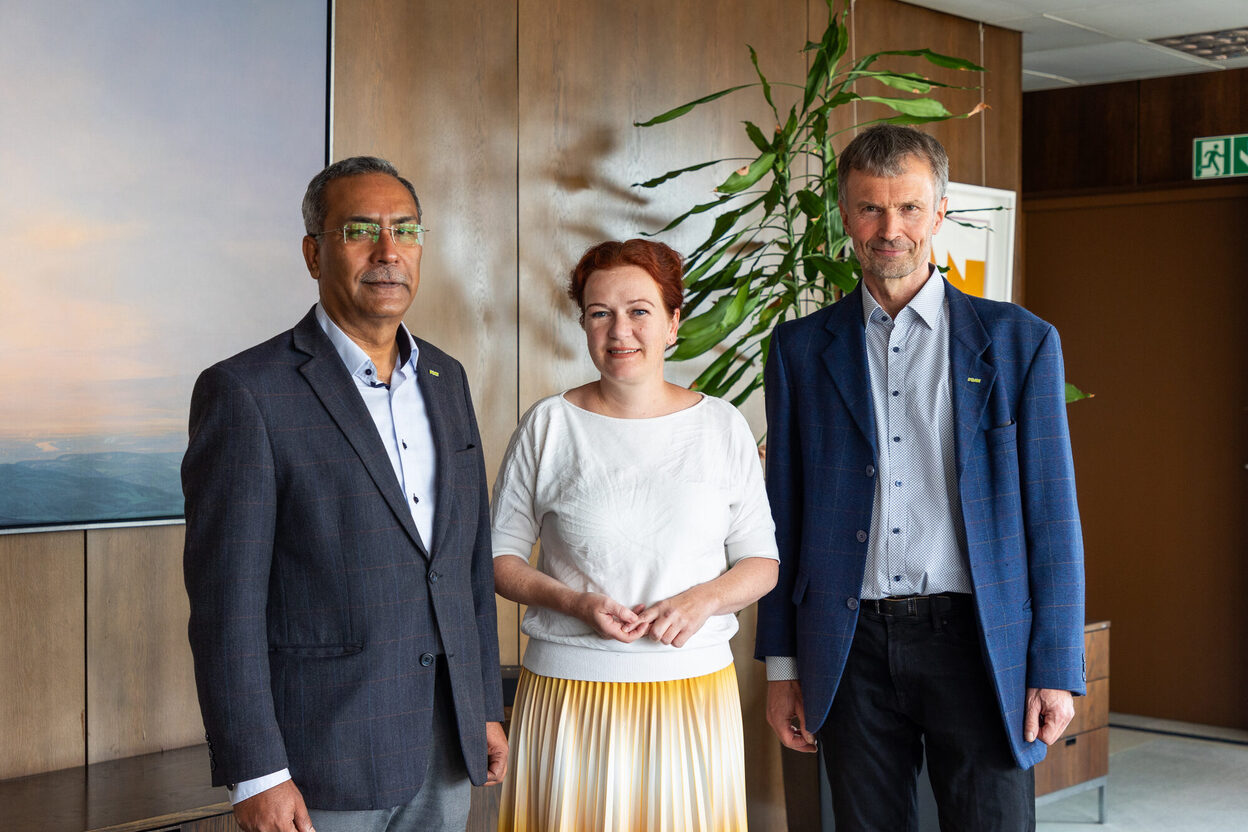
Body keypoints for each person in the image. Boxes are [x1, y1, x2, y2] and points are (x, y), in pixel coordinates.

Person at [755, 125, 1086, 831]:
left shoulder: (1022, 343)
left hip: (976, 639)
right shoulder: (799, 350)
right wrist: (782, 667)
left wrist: (1056, 664)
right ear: (844, 215)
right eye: (870, 208)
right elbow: (781, 519)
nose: (889, 229)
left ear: (939, 214)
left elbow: (1052, 518)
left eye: (908, 208)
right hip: (851, 646)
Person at [182, 156, 507, 832]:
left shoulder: (447, 379)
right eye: (360, 229)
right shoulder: (247, 392)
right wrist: (257, 772)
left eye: (407, 230)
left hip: (443, 747)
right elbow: (226, 607)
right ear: (313, 252)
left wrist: (481, 707)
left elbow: (466, 567)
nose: (389, 251)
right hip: (318, 761)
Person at [490, 239, 779, 831]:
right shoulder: (549, 425)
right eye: (600, 313)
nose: (620, 330)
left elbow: (760, 561)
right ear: (584, 325)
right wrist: (573, 602)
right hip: (569, 693)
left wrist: (703, 600)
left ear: (674, 322)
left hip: (691, 691)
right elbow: (497, 557)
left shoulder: (721, 425)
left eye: (639, 310)